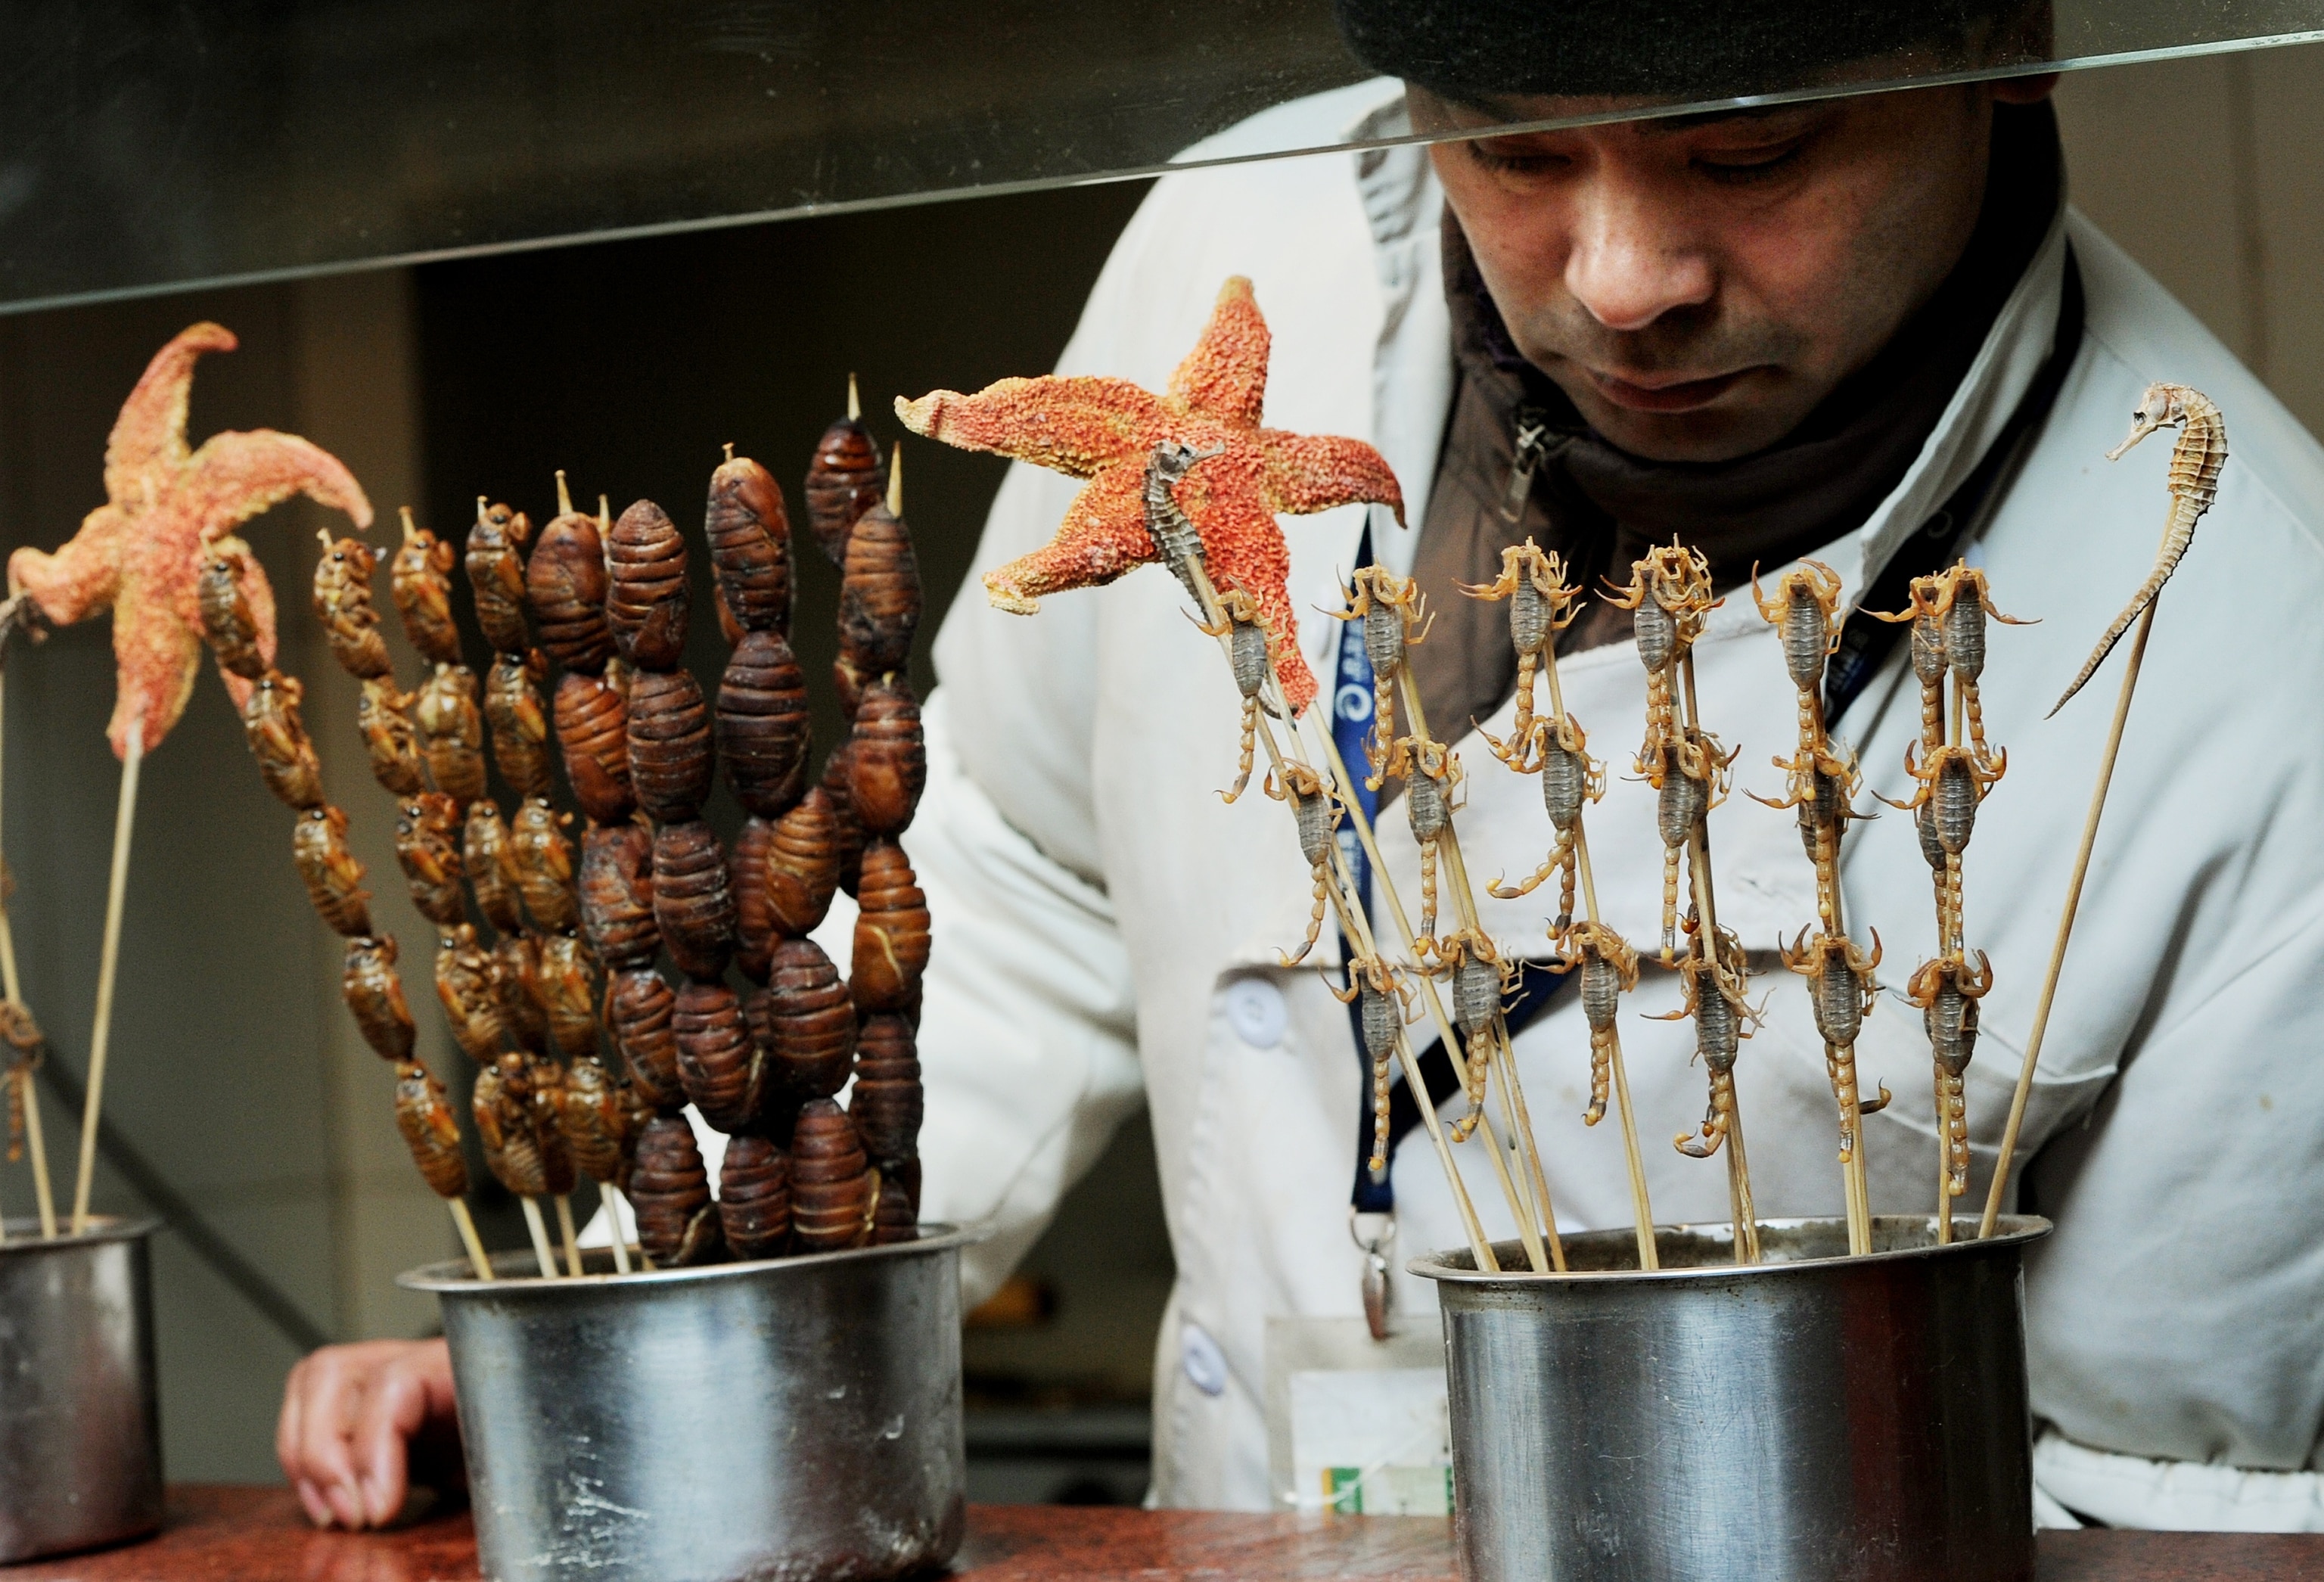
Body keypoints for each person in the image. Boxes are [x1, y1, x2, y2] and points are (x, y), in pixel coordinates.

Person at [280, 4, 2324, 1532]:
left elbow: (2161, 1511)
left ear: (2013, 50)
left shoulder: (2256, 664)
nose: (1624, 274)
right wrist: (647, 1333)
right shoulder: (1245, 256)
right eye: (1515, 152)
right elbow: (1002, 879)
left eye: (1752, 147)